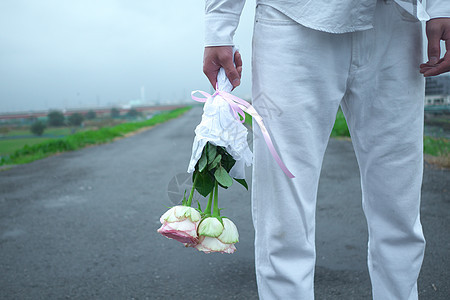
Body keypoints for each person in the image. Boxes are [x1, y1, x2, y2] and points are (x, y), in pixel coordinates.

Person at [202, 0, 450, 299]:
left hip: (395, 19)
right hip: (293, 18)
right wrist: (219, 26)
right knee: (284, 213)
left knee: (399, 204)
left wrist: (441, 6)